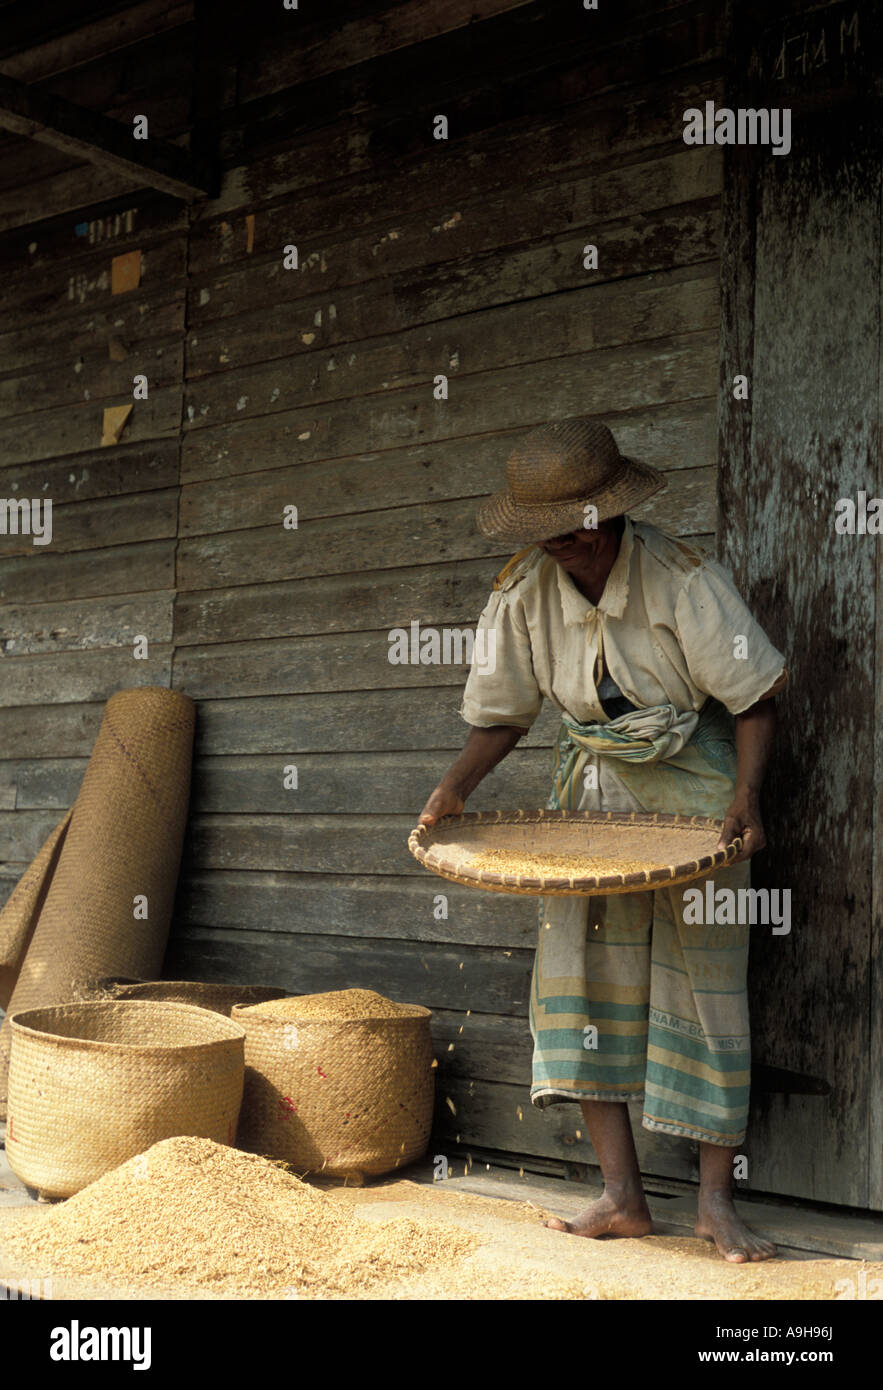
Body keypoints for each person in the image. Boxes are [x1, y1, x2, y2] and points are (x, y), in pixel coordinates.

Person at [418, 418, 788, 1263]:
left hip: (696, 791)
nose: (562, 552)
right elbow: (503, 714)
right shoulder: (523, 592)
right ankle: (621, 1197)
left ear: (606, 518)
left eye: (573, 535)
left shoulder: (684, 581)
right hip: (588, 797)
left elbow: (754, 698)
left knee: (706, 987)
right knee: (580, 983)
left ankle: (713, 1205)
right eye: (545, 539)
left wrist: (747, 798)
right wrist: (454, 787)